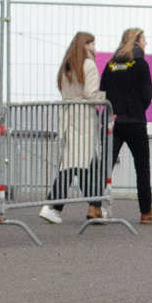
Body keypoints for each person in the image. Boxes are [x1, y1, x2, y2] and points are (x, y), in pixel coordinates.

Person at [100, 27, 152, 224]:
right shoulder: (140, 64)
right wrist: (137, 109)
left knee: (105, 166)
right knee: (142, 167)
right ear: (136, 41)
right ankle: (146, 212)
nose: (146, 43)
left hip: (114, 121)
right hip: (135, 122)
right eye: (144, 39)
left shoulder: (110, 64)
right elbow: (147, 94)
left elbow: (103, 92)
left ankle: (93, 206)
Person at [42, 32, 105, 224]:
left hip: (68, 114)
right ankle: (52, 205)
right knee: (74, 165)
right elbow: (90, 93)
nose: (95, 47)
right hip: (83, 117)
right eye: (92, 43)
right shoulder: (88, 64)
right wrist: (105, 97)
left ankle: (95, 206)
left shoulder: (67, 65)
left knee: (80, 163)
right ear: (85, 45)